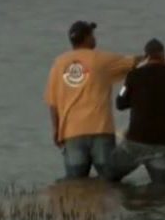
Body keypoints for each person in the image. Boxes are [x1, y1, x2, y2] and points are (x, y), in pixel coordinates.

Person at [44, 21, 142, 178]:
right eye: (92, 34)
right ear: (87, 38)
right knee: (110, 180)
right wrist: (153, 56)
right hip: (100, 130)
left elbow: (52, 102)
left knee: (76, 184)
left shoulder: (59, 64)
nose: (94, 38)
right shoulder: (101, 60)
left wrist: (56, 130)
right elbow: (134, 62)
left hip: (72, 132)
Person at [106, 38, 165, 185]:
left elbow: (120, 102)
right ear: (163, 55)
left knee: (108, 177)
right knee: (161, 189)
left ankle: (123, 204)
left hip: (135, 143)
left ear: (146, 56)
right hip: (162, 145)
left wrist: (138, 95)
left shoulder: (133, 76)